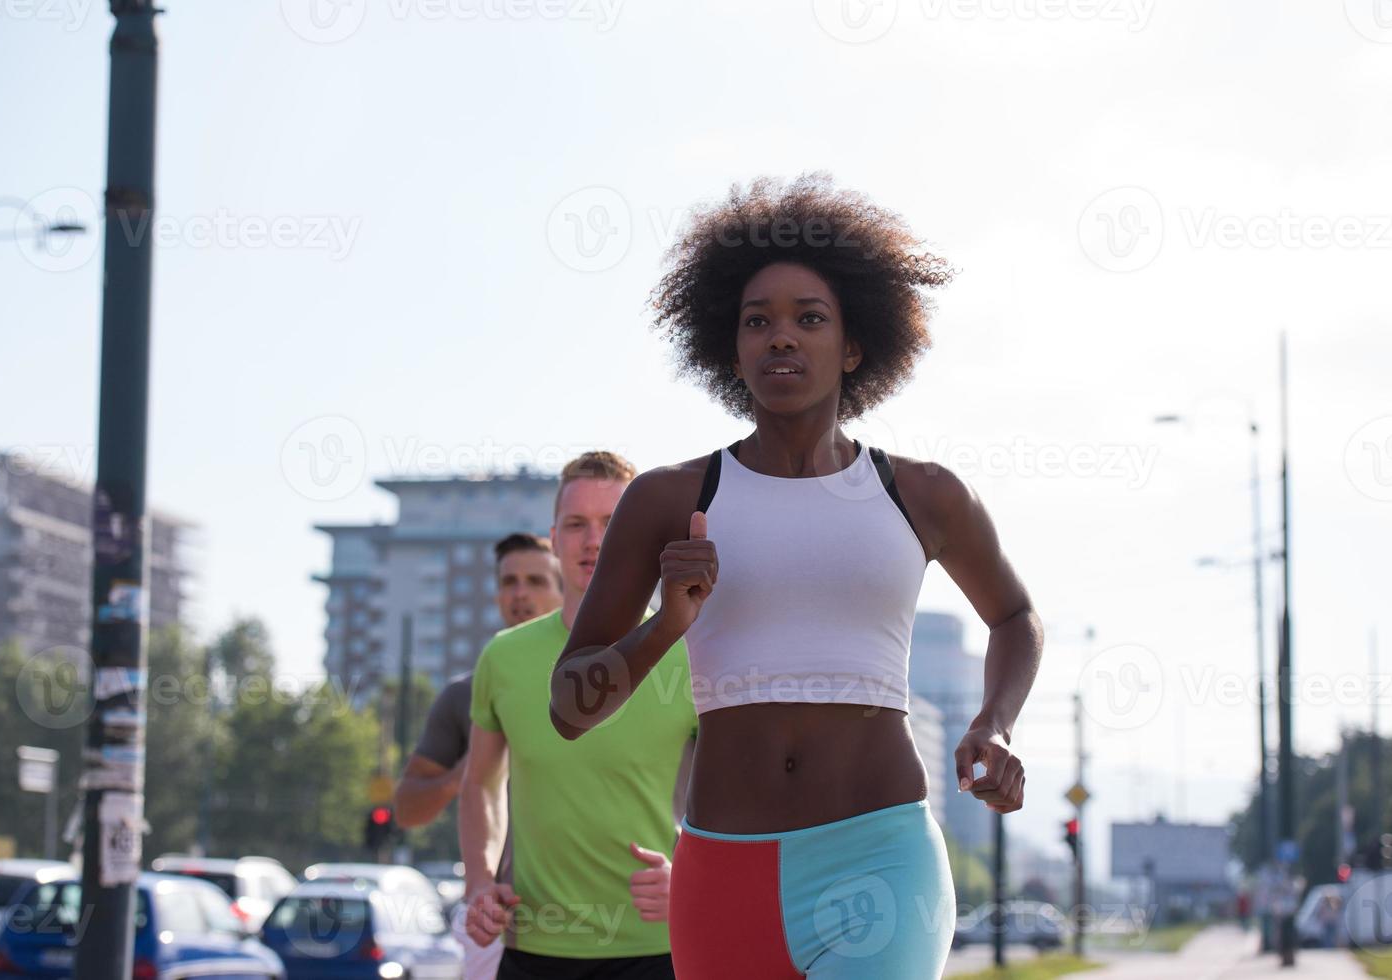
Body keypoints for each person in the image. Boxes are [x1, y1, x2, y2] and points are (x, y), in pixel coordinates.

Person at [549, 173, 1043, 979]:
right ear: (730, 347)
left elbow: (1015, 616)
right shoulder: (669, 498)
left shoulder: (921, 494)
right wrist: (665, 625)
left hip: (879, 861)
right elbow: (568, 709)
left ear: (852, 346)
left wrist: (994, 723)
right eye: (757, 322)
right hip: (720, 871)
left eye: (808, 319)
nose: (782, 337)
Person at [460, 451, 698, 980]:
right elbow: (480, 783)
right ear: (553, 540)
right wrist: (478, 880)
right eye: (576, 525)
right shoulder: (503, 657)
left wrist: (691, 875)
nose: (593, 540)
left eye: (612, 523)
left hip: (658, 951)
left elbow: (740, 797)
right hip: (532, 952)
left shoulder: (692, 653)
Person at [395, 532, 563, 979]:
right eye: (509, 582)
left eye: (535, 581)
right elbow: (407, 809)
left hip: (606, 917)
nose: (520, 593)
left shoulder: (603, 683)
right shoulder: (463, 696)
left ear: (565, 590)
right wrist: (469, 772)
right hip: (498, 918)